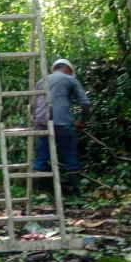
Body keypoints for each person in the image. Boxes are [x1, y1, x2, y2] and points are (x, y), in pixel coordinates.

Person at [32, 59, 90, 196]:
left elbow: (34, 105)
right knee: (70, 156)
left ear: (54, 69)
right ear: (68, 70)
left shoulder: (41, 81)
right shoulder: (70, 80)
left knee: (40, 157)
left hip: (42, 123)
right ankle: (76, 193)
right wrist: (82, 121)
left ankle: (35, 193)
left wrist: (37, 120)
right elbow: (85, 103)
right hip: (62, 123)